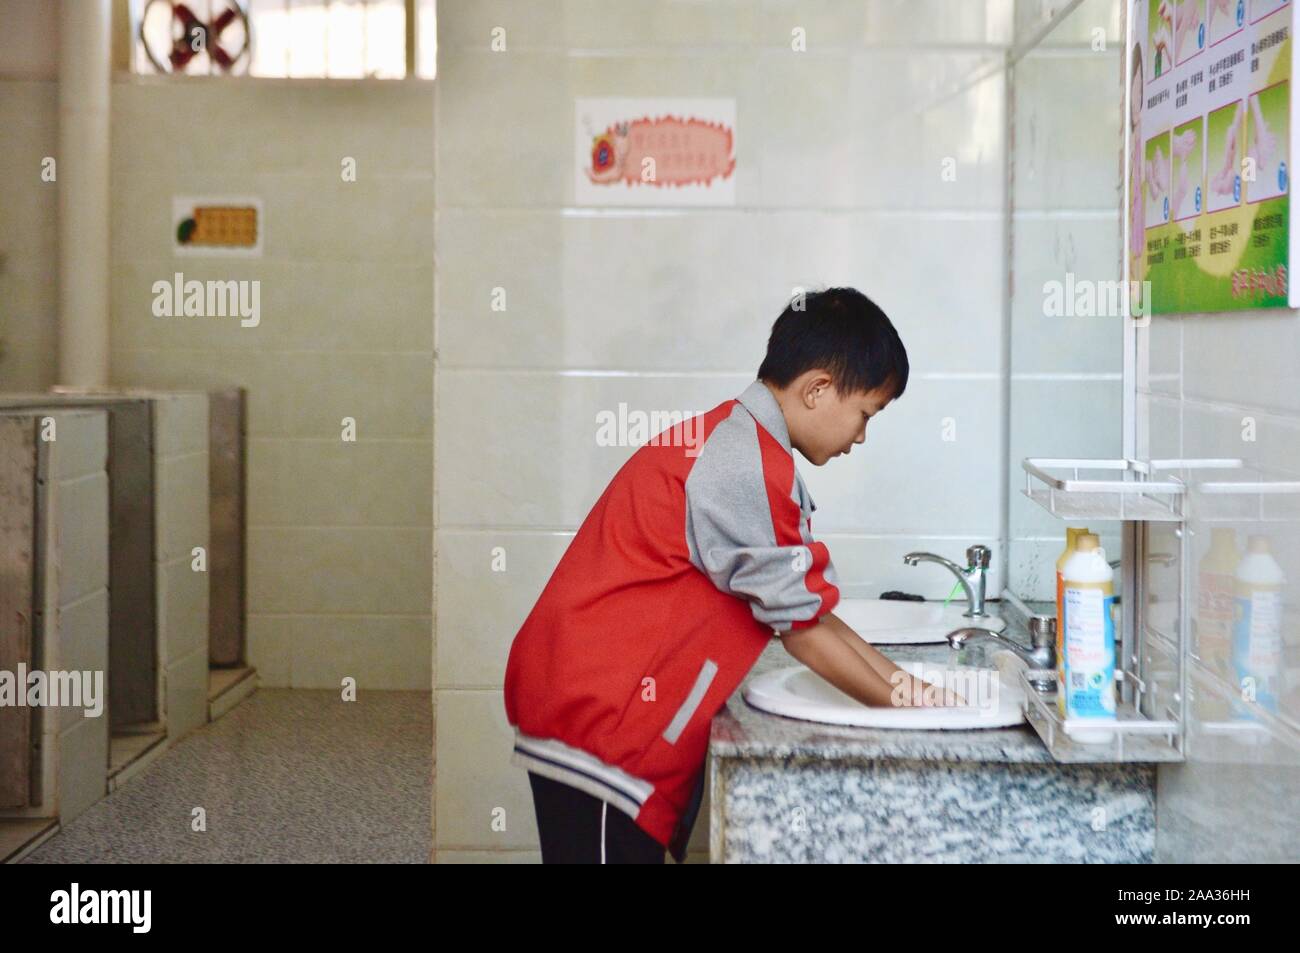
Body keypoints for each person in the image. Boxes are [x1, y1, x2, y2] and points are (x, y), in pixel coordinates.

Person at [502, 287, 963, 864]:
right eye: (865, 414)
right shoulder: (743, 461)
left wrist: (914, 694)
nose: (862, 437)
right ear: (818, 389)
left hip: (600, 713)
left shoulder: (743, 444)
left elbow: (809, 613)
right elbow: (805, 632)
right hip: (600, 727)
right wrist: (921, 707)